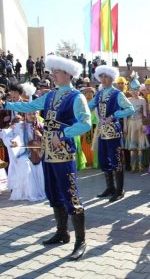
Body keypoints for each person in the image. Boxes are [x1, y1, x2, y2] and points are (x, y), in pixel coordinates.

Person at [1, 55, 91, 260]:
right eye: (53, 72)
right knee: (52, 192)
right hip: (48, 153)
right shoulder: (50, 96)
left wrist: (63, 134)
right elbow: (29, 107)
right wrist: (7, 105)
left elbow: (85, 124)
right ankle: (62, 233)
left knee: (71, 195)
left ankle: (81, 240)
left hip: (63, 153)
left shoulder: (77, 97)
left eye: (56, 72)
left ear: (67, 74)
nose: (53, 75)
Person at [88, 65, 135, 202]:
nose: (104, 79)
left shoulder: (117, 94)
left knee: (116, 160)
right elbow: (88, 107)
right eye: (101, 76)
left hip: (113, 132)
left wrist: (114, 116)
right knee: (104, 159)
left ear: (112, 78)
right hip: (102, 132)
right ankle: (110, 187)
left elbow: (130, 109)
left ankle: (120, 190)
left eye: (106, 76)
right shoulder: (99, 94)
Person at [124, 75, 149, 172]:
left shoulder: (142, 100)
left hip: (139, 123)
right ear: (129, 90)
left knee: (140, 146)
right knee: (132, 146)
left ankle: (140, 166)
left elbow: (145, 114)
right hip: (130, 124)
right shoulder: (128, 100)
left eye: (136, 89)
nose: (134, 92)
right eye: (132, 89)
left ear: (139, 89)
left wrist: (145, 125)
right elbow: (125, 114)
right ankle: (133, 166)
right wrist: (125, 126)